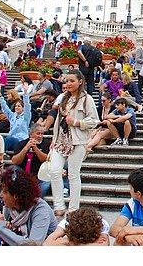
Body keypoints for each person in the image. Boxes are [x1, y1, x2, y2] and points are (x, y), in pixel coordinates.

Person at [49, 69, 98, 218]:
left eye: (72, 81)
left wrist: (76, 122)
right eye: (67, 81)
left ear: (80, 82)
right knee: (54, 170)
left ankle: (73, 208)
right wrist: (53, 139)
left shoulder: (86, 99)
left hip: (77, 140)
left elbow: (94, 120)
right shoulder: (63, 98)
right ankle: (58, 205)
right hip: (61, 140)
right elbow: (58, 121)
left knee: (73, 175)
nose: (68, 84)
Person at [0, 168, 57, 245]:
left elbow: (33, 245)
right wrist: (7, 226)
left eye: (5, 192)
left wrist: (0, 226)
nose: (1, 195)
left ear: (16, 196)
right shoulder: (9, 208)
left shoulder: (41, 210)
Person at [11, 123, 57, 196]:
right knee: (12, 168)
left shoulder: (46, 144)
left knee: (48, 179)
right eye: (38, 134)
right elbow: (15, 161)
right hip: (23, 175)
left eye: (42, 134)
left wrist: (36, 149)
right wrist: (26, 148)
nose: (40, 136)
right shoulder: (21, 144)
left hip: (39, 176)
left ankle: (36, 196)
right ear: (31, 134)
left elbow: (46, 159)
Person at [44, 206, 111, 246]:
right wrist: (85, 244)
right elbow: (47, 243)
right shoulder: (67, 221)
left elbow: (102, 246)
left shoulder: (101, 223)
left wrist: (67, 242)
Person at [0, 84, 31, 151]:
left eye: (19, 106)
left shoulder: (26, 116)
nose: (16, 107)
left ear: (23, 108)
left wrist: (25, 92)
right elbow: (5, 108)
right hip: (11, 139)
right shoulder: (12, 116)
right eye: (16, 106)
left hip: (21, 140)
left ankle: (0, 154)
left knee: (9, 139)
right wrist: (0, 95)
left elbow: (27, 105)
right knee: (0, 139)